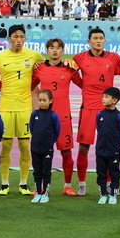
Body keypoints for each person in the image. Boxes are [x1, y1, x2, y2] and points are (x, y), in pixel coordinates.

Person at [0, 24, 45, 196]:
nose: (18, 40)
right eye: (15, 36)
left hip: (24, 108)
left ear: (25, 38)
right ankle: (5, 184)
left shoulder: (33, 55)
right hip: (5, 108)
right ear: (9, 39)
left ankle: (23, 184)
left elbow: (47, 68)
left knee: (24, 145)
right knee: (5, 146)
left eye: (21, 36)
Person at [73, 28, 120, 195]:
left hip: (107, 109)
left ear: (104, 41)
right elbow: (71, 73)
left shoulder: (114, 58)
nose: (98, 41)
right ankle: (82, 184)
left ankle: (109, 183)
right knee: (84, 148)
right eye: (95, 38)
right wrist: (86, 87)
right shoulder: (79, 58)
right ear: (89, 41)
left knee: (108, 148)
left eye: (101, 38)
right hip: (88, 108)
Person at [32, 39, 83, 196]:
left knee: (66, 152)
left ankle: (67, 185)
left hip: (63, 117)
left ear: (62, 51)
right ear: (47, 50)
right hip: (44, 119)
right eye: (52, 48)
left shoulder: (69, 69)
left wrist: (78, 68)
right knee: (40, 153)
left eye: (58, 48)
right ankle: (39, 186)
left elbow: (84, 85)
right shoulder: (39, 68)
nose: (55, 51)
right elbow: (30, 86)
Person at [29, 90, 61, 203]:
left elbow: (57, 131)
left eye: (44, 100)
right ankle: (38, 192)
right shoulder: (34, 114)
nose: (42, 103)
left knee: (46, 171)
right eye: (40, 100)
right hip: (35, 148)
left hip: (47, 148)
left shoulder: (53, 115)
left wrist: (49, 142)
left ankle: (45, 193)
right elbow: (32, 129)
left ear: (50, 101)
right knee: (37, 171)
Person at [96, 87, 120, 205]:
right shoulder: (99, 114)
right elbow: (99, 129)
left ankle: (113, 194)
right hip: (100, 149)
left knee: (114, 173)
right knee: (101, 173)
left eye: (106, 97)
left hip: (113, 150)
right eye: (103, 96)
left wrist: (117, 146)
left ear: (114, 100)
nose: (103, 99)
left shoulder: (119, 116)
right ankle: (103, 194)